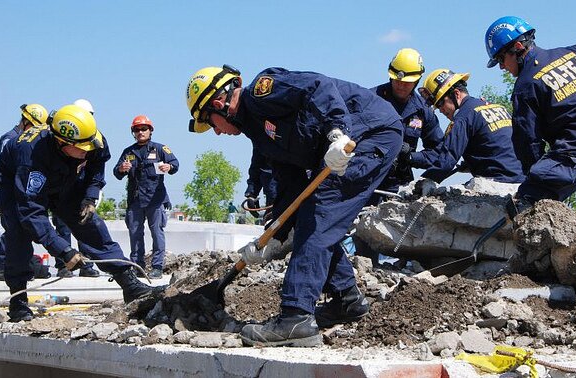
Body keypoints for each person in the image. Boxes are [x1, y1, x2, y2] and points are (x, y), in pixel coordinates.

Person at [186, 64, 403, 347]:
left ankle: (296, 316)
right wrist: (270, 238)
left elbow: (317, 86)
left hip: (367, 134)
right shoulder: (259, 134)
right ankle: (346, 300)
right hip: (351, 142)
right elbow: (290, 189)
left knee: (320, 214)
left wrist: (337, 132)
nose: (216, 132)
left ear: (219, 103)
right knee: (307, 217)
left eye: (211, 123)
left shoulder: (261, 92)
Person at [0, 105, 161, 322]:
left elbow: (97, 163)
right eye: (82, 148)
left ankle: (129, 283)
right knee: (19, 234)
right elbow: (31, 212)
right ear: (61, 142)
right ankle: (19, 302)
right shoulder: (31, 155)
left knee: (90, 225)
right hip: (15, 188)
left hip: (62, 179)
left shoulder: (91, 138)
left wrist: (91, 196)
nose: (87, 151)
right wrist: (63, 251)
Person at [484, 16, 576, 236]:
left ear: (517, 48)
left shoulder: (526, 85)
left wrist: (534, 180)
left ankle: (530, 265)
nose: (501, 67)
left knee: (529, 202)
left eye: (500, 59)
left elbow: (527, 143)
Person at [415, 68, 525, 184]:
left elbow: (447, 159)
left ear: (456, 94)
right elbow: (498, 146)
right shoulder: (497, 107)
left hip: (499, 182)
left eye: (441, 104)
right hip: (522, 179)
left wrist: (423, 182)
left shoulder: (463, 117)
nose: (441, 111)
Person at [370, 48, 443, 201]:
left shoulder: (423, 110)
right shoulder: (370, 100)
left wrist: (409, 156)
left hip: (398, 184)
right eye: (397, 80)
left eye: (406, 82)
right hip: (367, 179)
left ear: (417, 80)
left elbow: (438, 152)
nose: (401, 85)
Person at [113, 115, 178, 279]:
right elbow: (116, 172)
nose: (140, 132)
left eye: (144, 129)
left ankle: (157, 267)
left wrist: (168, 166)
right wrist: (121, 168)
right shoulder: (128, 152)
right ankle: (137, 266)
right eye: (137, 129)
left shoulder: (160, 149)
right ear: (133, 132)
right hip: (135, 201)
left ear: (150, 131)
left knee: (157, 233)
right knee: (135, 234)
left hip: (155, 200)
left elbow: (175, 164)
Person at [0, 104, 48, 281]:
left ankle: (20, 266)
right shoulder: (9, 139)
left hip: (19, 192)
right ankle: (1, 265)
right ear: (25, 122)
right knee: (12, 230)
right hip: (8, 193)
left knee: (21, 231)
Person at [53, 98, 101, 278]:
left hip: (81, 193)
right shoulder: (64, 139)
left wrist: (90, 197)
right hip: (62, 193)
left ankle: (86, 264)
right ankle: (64, 265)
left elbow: (96, 172)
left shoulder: (92, 140)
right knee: (63, 228)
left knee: (84, 226)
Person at [243, 146, 277, 223]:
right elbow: (256, 168)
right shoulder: (261, 138)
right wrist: (251, 194)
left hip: (299, 198)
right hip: (272, 203)